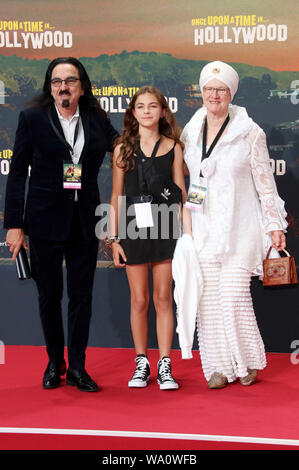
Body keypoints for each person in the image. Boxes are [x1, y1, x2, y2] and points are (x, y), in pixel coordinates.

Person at [4, 57, 118, 392]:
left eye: (70, 80)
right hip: (42, 222)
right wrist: (14, 224)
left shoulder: (96, 118)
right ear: (50, 86)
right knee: (49, 297)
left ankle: (79, 368)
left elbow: (121, 147)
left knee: (81, 297)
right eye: (56, 81)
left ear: (82, 86)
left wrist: (165, 141)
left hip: (84, 222)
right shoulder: (32, 118)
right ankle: (55, 363)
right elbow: (16, 175)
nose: (63, 87)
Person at [178, 61, 287, 389]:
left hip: (241, 228)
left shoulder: (250, 132)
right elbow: (189, 178)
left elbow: (265, 183)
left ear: (231, 94)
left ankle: (248, 362)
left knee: (233, 297)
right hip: (203, 225)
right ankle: (218, 367)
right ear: (201, 93)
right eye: (209, 89)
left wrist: (274, 225)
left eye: (221, 90)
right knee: (207, 300)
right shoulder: (191, 129)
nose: (214, 95)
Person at [108, 86, 188, 390]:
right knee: (139, 300)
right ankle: (141, 362)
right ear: (132, 113)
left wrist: (187, 235)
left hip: (167, 228)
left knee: (163, 298)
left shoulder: (173, 147)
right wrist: (113, 238)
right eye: (140, 106)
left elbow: (180, 194)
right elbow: (116, 196)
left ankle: (165, 363)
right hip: (132, 229)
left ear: (163, 112)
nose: (146, 111)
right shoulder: (122, 149)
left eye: (152, 106)